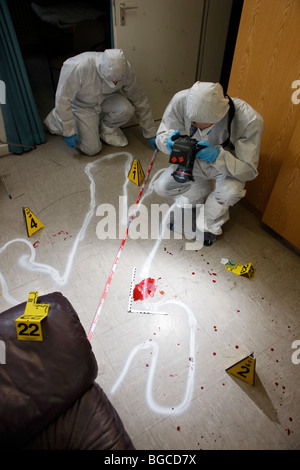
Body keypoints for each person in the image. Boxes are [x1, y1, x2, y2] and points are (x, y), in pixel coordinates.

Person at [154, 81, 264, 245]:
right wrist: (166, 142)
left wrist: (218, 157)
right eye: (193, 123)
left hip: (228, 165)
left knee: (229, 192)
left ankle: (209, 221)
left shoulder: (250, 120)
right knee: (163, 186)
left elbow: (248, 171)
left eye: (202, 124)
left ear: (220, 116)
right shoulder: (180, 101)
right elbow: (162, 133)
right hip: (194, 161)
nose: (196, 127)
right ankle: (195, 199)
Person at [44, 49, 157, 156]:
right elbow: (62, 99)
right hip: (82, 105)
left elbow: (139, 99)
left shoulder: (126, 69)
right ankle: (55, 120)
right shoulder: (78, 67)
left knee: (127, 109)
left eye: (117, 81)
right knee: (92, 149)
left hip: (107, 98)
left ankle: (106, 129)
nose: (115, 82)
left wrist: (150, 132)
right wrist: (68, 131)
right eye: (111, 80)